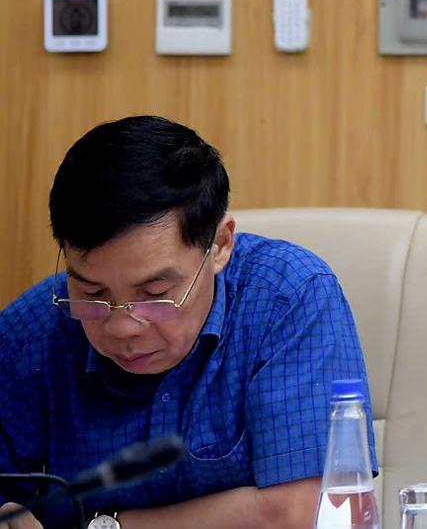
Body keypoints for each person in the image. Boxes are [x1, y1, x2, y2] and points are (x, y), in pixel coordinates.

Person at [0, 115, 372, 529]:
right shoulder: (29, 333)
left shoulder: (288, 298)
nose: (122, 327)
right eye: (93, 294)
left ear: (220, 245)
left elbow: (306, 512)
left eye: (154, 293)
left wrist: (109, 526)